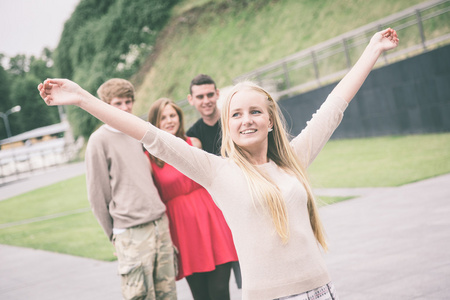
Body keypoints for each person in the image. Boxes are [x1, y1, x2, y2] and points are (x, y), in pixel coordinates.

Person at [38, 28, 399, 299]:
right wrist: (83, 99)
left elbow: (333, 107)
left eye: (255, 111)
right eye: (237, 114)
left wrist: (372, 49)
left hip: (320, 290)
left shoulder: (294, 160)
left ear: (270, 120)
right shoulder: (218, 171)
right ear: (228, 126)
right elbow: (151, 135)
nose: (247, 120)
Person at [84, 78, 177, 300]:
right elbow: (97, 197)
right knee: (141, 295)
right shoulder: (98, 141)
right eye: (118, 103)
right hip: (131, 232)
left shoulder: (139, 131)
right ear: (105, 105)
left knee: (168, 294)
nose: (125, 108)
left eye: (128, 102)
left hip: (159, 225)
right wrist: (114, 236)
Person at [145, 98, 238, 299]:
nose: (169, 120)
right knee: (201, 294)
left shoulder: (193, 143)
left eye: (172, 115)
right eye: (163, 117)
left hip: (212, 218)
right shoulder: (149, 158)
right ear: (155, 122)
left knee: (221, 290)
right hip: (182, 228)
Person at [187, 74, 243, 289]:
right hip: (220, 210)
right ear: (191, 99)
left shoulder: (235, 121)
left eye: (210, 94)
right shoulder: (192, 136)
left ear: (218, 94)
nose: (206, 100)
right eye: (200, 96)